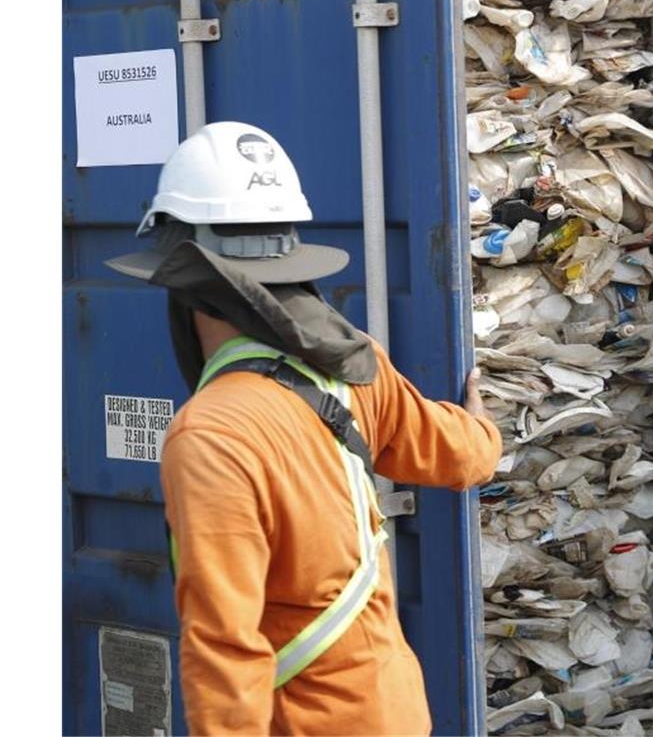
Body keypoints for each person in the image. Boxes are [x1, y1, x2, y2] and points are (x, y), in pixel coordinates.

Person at [105, 121, 502, 735]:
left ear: (186, 286)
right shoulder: (353, 366)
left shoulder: (210, 434)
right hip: (396, 710)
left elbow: (224, 649)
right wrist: (482, 425)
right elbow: (461, 457)